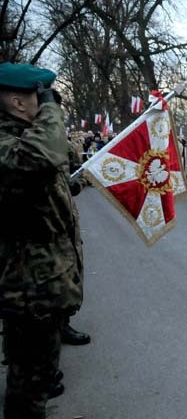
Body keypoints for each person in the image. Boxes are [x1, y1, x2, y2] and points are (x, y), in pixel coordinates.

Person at [0, 62, 84, 418]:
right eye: (42, 97)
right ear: (20, 103)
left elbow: (49, 174)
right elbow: (39, 158)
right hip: (28, 291)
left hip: (45, 286)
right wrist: (51, 109)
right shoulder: (10, 142)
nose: (50, 106)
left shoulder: (22, 137)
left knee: (37, 380)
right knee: (27, 392)